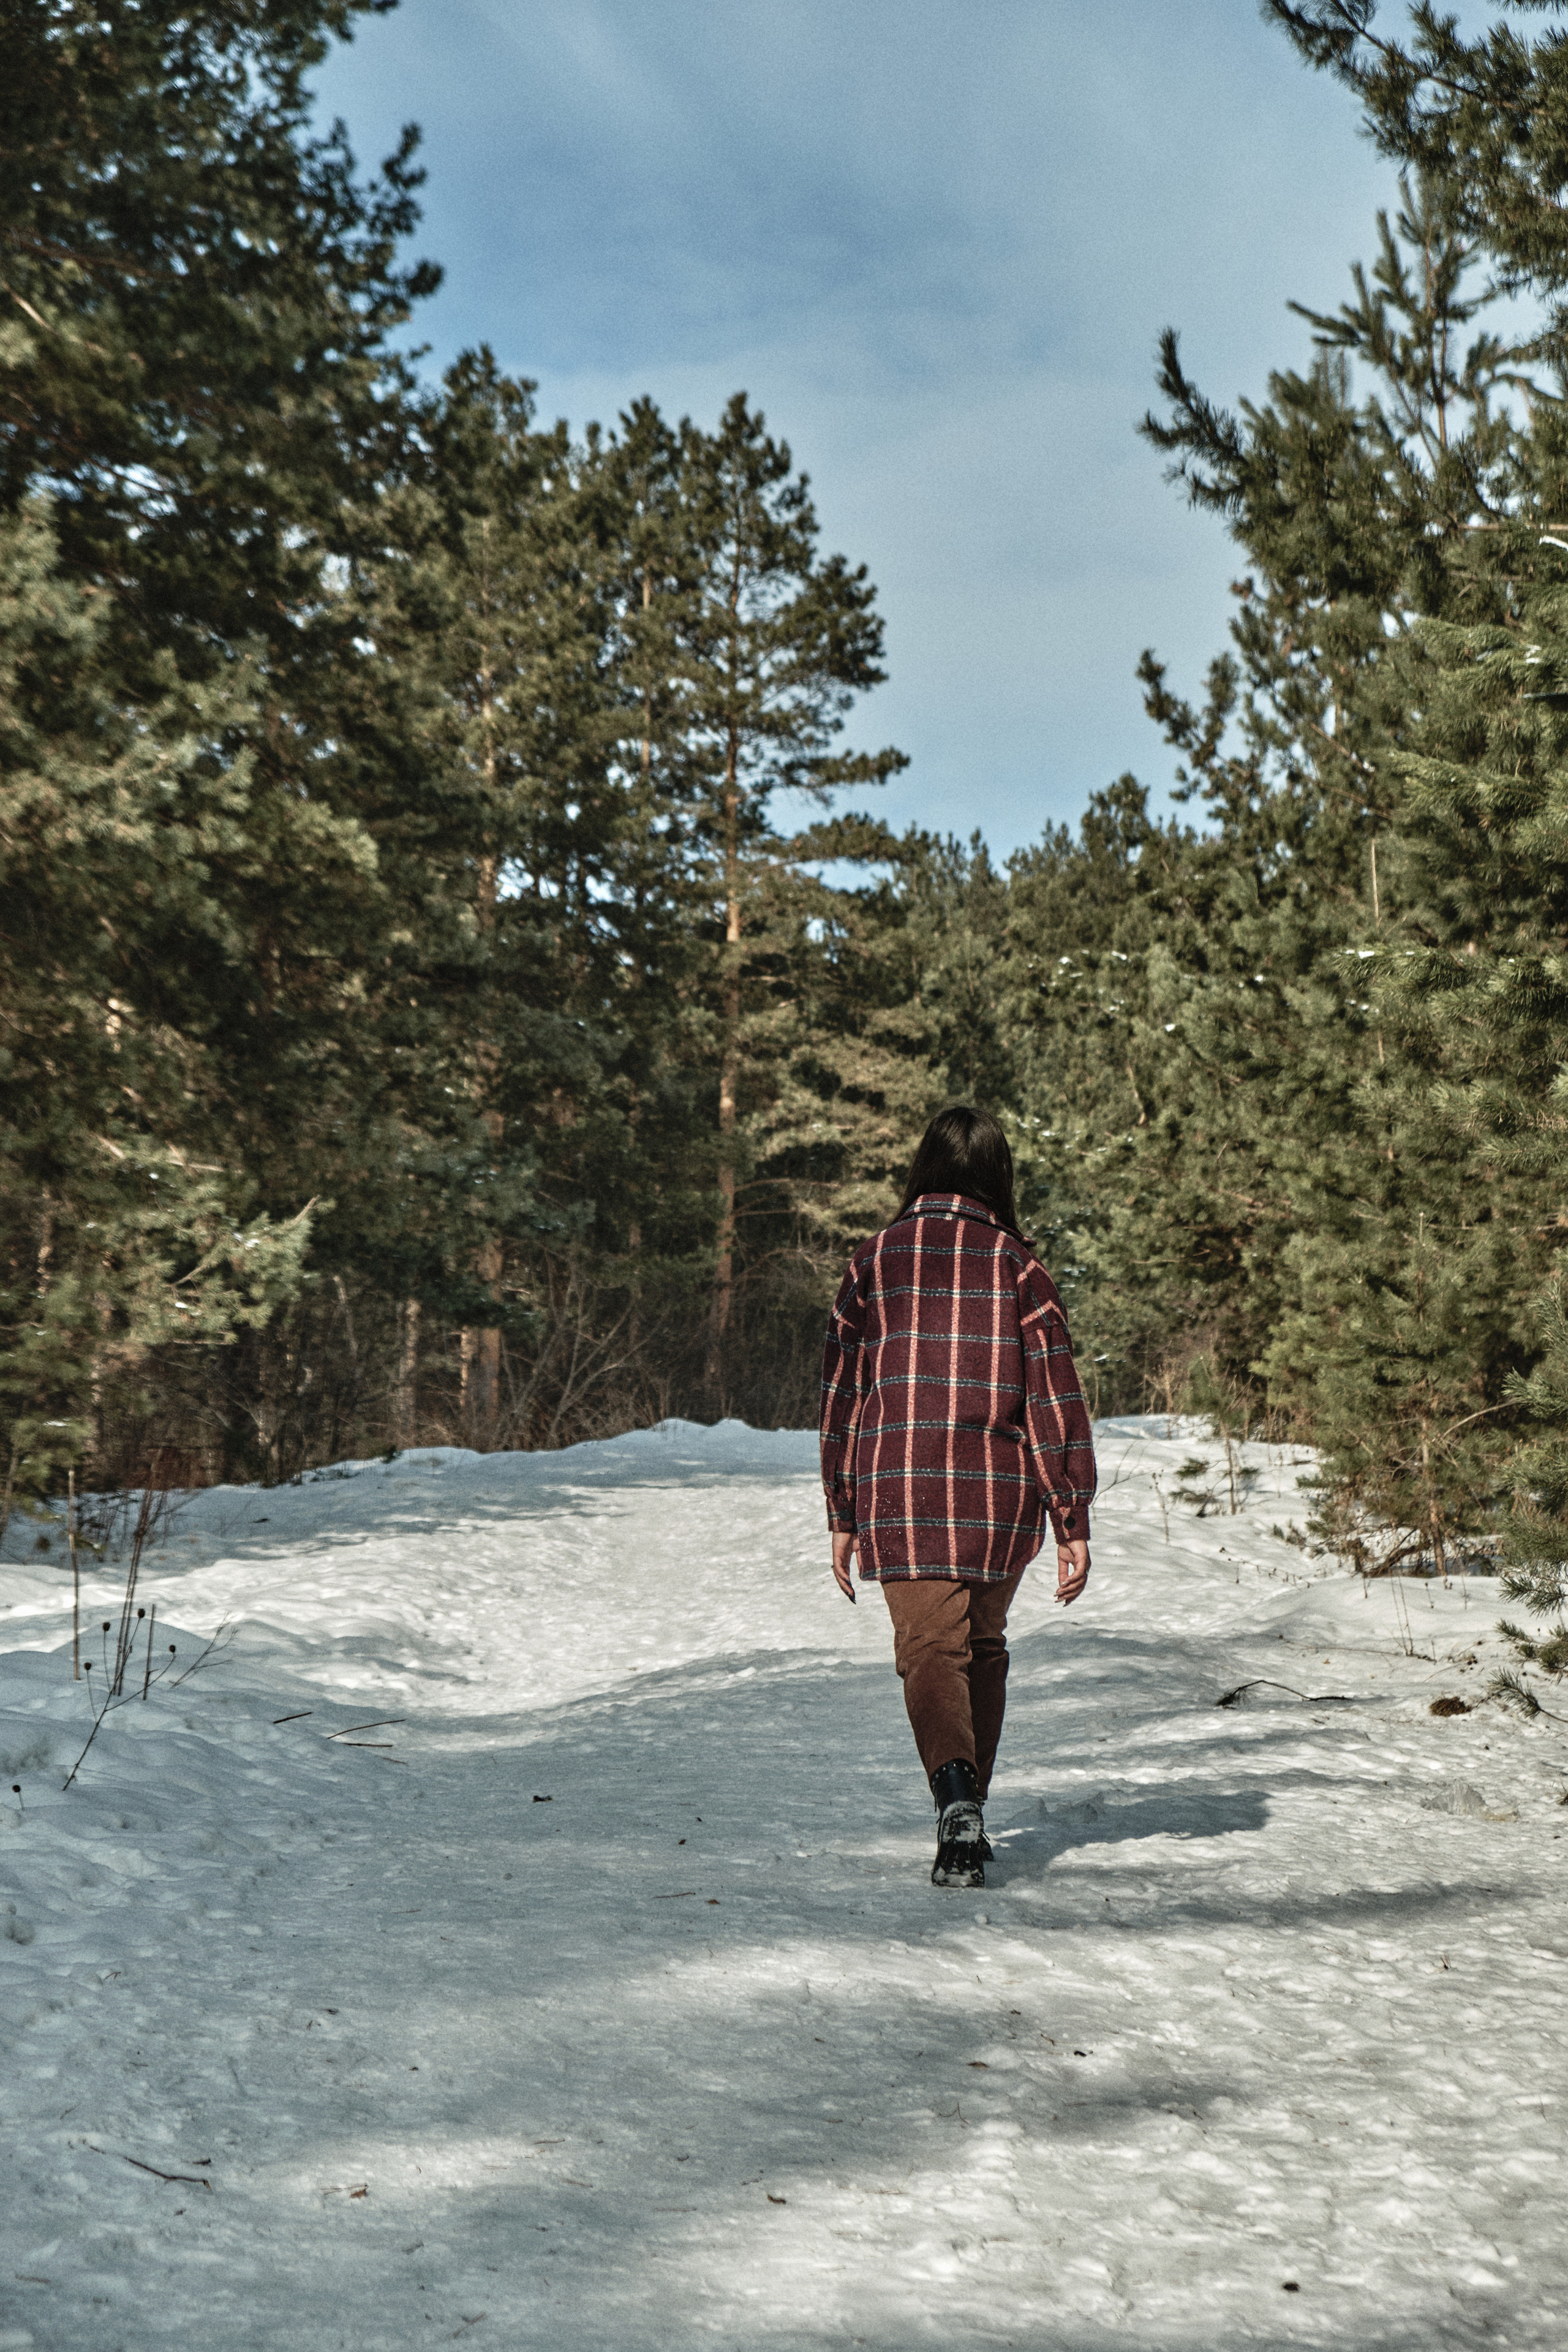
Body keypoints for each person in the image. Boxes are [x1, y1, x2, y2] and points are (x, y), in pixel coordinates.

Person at [819, 1106, 1096, 1888]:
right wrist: (1068, 1513)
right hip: (997, 1492)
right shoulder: (1018, 1265)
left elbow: (841, 1395)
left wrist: (842, 1511)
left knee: (930, 1651)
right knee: (979, 1647)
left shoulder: (872, 1261)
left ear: (924, 1170)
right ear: (996, 1179)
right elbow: (1052, 1394)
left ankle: (955, 1801)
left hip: (897, 1484)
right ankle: (966, 1807)